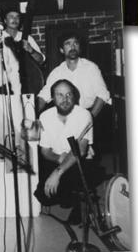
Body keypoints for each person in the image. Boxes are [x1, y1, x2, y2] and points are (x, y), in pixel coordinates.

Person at [35, 79, 94, 211]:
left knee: (71, 188)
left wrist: (57, 172)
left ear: (74, 96)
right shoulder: (44, 117)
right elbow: (45, 151)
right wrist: (59, 159)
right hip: (56, 158)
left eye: (69, 94)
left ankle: (77, 201)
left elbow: (81, 150)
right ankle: (67, 194)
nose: (65, 99)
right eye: (60, 95)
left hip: (78, 161)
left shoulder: (84, 115)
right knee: (44, 197)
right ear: (52, 98)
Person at [37, 32, 111, 117]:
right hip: (66, 117)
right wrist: (31, 113)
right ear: (61, 50)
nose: (72, 47)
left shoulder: (91, 68)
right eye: (68, 44)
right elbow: (43, 97)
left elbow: (102, 95)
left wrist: (90, 119)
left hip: (90, 113)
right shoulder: (56, 73)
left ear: (79, 48)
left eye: (75, 43)